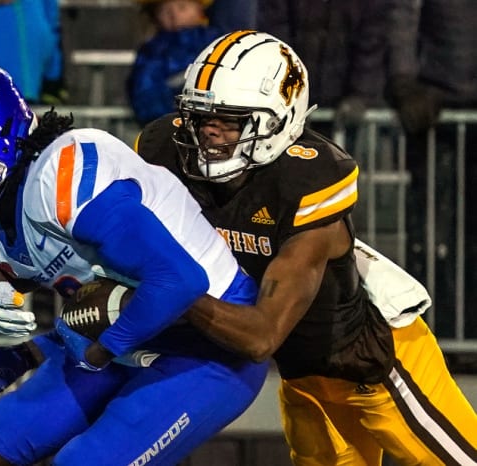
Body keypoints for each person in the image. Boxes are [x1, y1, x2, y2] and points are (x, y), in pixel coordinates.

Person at [133, 30, 477, 465]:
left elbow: (260, 336)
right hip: (301, 380)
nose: (210, 135)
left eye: (230, 121)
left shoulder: (305, 182)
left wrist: (169, 292)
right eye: (202, 118)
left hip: (375, 368)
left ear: (279, 121)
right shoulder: (166, 150)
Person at [0, 61, 268, 465]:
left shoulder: (63, 175)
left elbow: (177, 282)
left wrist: (96, 353)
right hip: (136, 334)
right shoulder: (0, 217)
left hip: (207, 344)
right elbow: (80, 292)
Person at [385, 0, 477, 336]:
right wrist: (404, 84)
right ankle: (435, 331)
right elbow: (403, 17)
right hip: (435, 109)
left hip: (443, 104)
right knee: (430, 232)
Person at [257, 0, 387, 131]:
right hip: (291, 97)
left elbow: (371, 43)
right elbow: (277, 42)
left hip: (343, 108)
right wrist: (290, 99)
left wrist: (360, 96)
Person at [126, 0, 224, 126]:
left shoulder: (217, 42)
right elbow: (144, 95)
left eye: (182, 7)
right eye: (165, 11)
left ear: (199, 9)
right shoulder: (151, 51)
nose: (174, 15)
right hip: (169, 127)